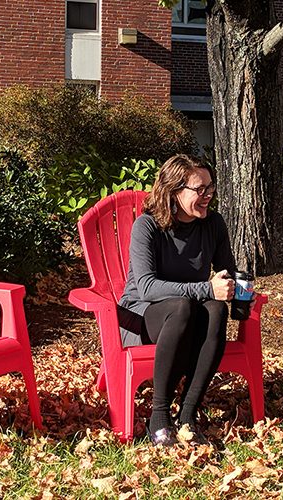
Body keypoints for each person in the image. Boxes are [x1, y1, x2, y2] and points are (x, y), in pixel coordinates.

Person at [117, 154, 236, 446]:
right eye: (200, 189)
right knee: (184, 306)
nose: (208, 195)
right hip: (140, 317)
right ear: (174, 191)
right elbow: (147, 288)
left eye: (211, 187)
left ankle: (188, 415)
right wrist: (207, 289)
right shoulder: (147, 227)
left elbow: (226, 272)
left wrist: (238, 290)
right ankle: (158, 416)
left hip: (187, 316)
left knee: (217, 310)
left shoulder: (213, 224)